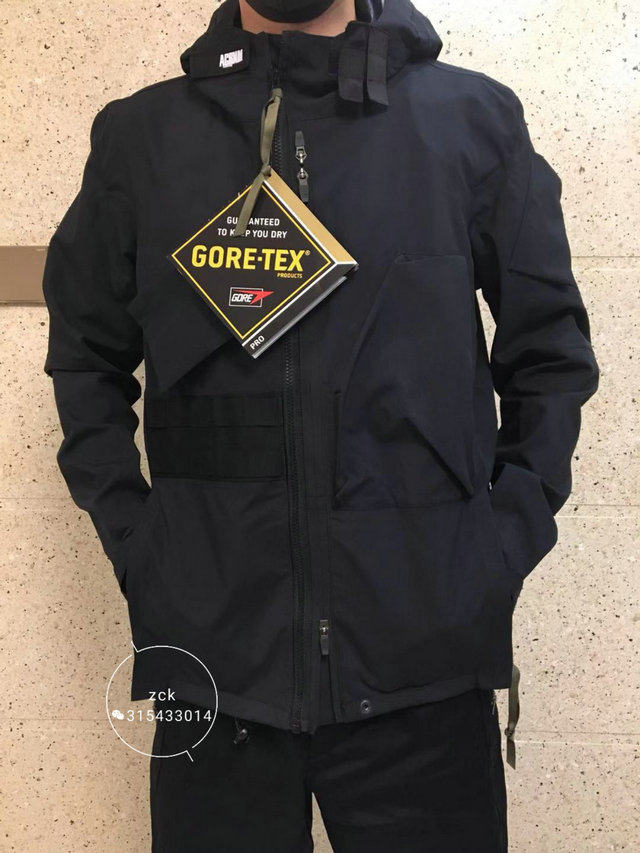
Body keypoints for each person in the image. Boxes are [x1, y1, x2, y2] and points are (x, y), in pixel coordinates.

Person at [42, 0, 599, 849]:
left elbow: (550, 353)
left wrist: (496, 547)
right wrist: (143, 548)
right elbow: (86, 357)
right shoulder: (141, 138)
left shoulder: (471, 121)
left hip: (424, 670)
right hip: (214, 675)